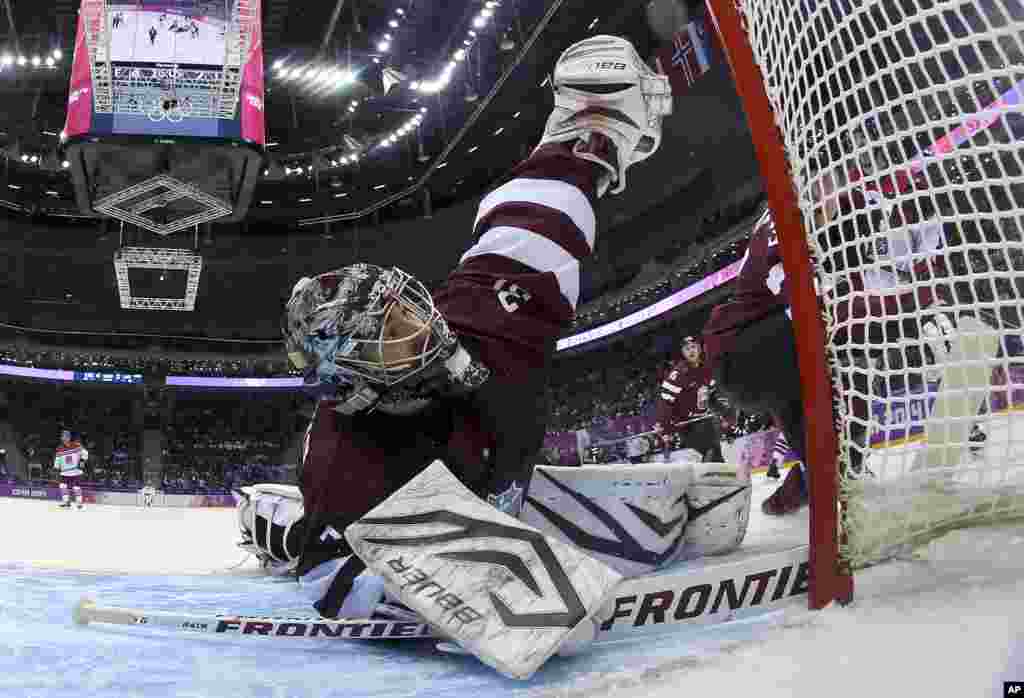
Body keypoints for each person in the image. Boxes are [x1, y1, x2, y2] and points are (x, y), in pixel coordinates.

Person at [271, 34, 672, 619]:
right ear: (357, 383)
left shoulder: (453, 347)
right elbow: (328, 576)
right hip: (436, 490)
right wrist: (425, 584)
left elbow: (507, 259)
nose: (424, 329)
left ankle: (585, 143)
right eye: (395, 334)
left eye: (409, 309)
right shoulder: (344, 454)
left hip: (484, 443)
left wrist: (578, 157)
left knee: (507, 274)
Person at [653, 336, 725, 463]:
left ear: (700, 349)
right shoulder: (678, 374)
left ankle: (716, 477)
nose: (691, 351)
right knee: (711, 450)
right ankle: (714, 476)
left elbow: (713, 395)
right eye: (687, 349)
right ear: (683, 352)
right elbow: (665, 402)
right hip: (686, 426)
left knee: (715, 452)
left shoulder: (707, 368)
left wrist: (725, 413)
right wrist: (665, 427)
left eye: (694, 347)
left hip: (704, 419)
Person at [55, 430, 88, 510]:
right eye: (62, 436)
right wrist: (56, 467)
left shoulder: (76, 445)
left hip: (75, 471)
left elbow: (85, 453)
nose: (63, 438)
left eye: (65, 436)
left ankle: (79, 503)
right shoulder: (59, 448)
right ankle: (66, 502)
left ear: (69, 437)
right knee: (62, 486)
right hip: (64, 472)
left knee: (76, 487)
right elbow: (58, 459)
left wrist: (82, 461)